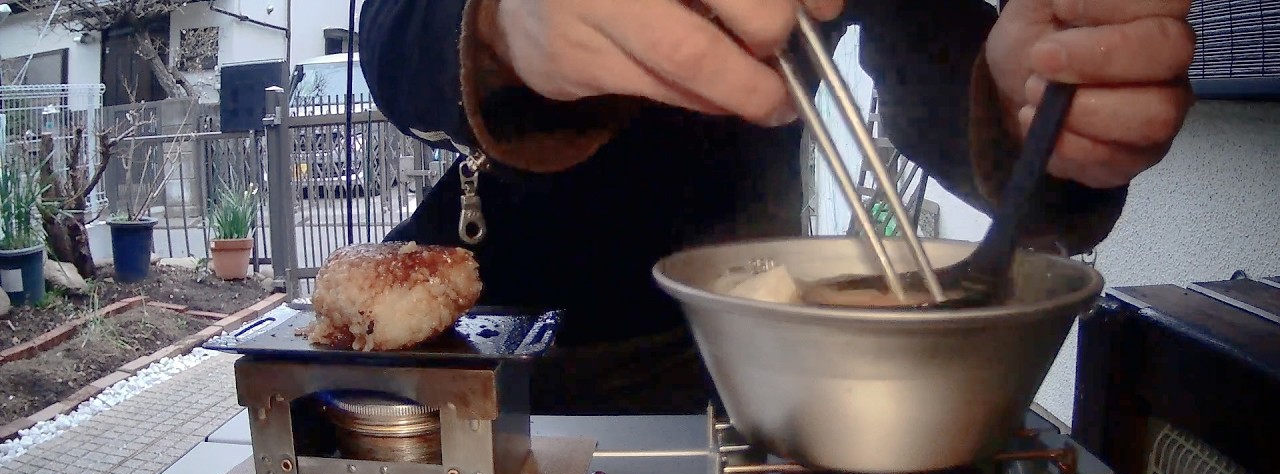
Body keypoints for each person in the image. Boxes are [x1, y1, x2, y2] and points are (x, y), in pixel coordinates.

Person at [357, 0, 1195, 415]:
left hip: (741, 354)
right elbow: (393, 31)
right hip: (498, 352)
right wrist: (499, 26)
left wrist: (1034, 112)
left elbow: (932, 51)